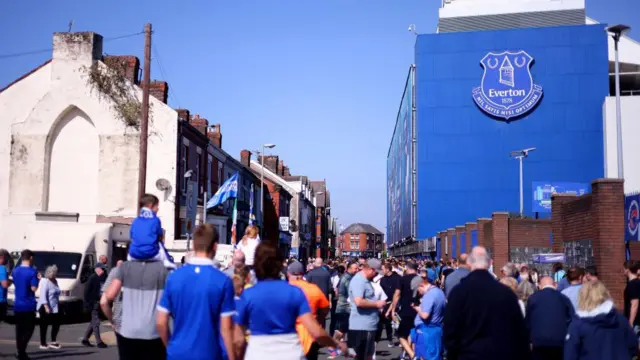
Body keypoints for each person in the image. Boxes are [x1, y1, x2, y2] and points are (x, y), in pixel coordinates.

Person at [234, 243, 345, 360]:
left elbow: (238, 339)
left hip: (258, 353)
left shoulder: (247, 295)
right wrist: (336, 344)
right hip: (291, 352)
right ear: (281, 265)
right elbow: (316, 331)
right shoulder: (295, 292)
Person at [155, 224, 235, 360]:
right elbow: (226, 328)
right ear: (215, 246)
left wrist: (170, 347)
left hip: (178, 353)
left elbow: (161, 322)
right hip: (209, 353)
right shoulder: (223, 281)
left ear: (193, 245)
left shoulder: (174, 277)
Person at [443, 246, 530, 360]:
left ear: (469, 262)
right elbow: (520, 335)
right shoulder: (506, 294)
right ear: (490, 263)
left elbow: (450, 332)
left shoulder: (459, 293)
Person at [101, 238, 170, 359]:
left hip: (123, 326)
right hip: (150, 329)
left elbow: (104, 301)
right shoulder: (162, 270)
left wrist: (112, 321)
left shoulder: (119, 271)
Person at [564, 280, 638, 360]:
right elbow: (633, 346)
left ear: (583, 297)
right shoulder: (620, 320)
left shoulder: (578, 325)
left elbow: (570, 354)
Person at [288, 261, 331, 360]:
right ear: (303, 273)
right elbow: (325, 308)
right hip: (310, 336)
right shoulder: (313, 289)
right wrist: (318, 320)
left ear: (288, 273)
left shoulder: (283, 290)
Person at [525, 276, 574, 360]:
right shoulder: (563, 298)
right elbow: (571, 318)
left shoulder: (533, 298)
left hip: (538, 341)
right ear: (555, 285)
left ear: (539, 286)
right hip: (559, 341)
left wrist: (529, 340)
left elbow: (528, 321)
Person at [348, 259, 386, 360]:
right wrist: (376, 304)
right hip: (362, 326)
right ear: (370, 270)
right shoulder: (358, 281)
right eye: (376, 272)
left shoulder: (365, 281)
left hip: (369, 325)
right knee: (361, 356)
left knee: (368, 355)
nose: (376, 275)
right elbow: (359, 302)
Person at [129, 193, 175, 268]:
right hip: (151, 253)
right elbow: (160, 237)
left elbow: (131, 237)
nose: (158, 209)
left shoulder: (135, 221)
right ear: (151, 205)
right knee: (165, 255)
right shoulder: (155, 220)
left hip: (134, 254)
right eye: (157, 206)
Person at [328, 261, 359, 358]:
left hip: (345, 307)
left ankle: (349, 350)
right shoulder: (347, 278)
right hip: (345, 308)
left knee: (348, 330)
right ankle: (332, 351)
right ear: (349, 268)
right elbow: (352, 293)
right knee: (341, 330)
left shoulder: (347, 277)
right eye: (355, 268)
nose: (357, 270)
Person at [412, 272, 446, 360]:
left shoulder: (429, 295)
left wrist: (417, 308)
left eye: (418, 291)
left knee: (427, 356)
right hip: (435, 330)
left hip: (427, 333)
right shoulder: (439, 292)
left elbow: (425, 315)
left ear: (421, 285)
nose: (419, 293)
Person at [13, 249, 39, 360]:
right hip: (28, 304)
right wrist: (38, 279)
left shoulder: (15, 270)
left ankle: (19, 350)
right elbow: (34, 288)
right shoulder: (32, 272)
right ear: (31, 258)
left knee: (19, 329)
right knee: (29, 329)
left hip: (17, 303)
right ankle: (22, 351)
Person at [398, 262, 422, 359]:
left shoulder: (403, 279)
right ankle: (413, 354)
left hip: (405, 309)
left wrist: (392, 308)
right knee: (413, 333)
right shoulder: (421, 280)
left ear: (408, 268)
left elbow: (397, 294)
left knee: (402, 334)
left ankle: (412, 355)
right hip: (418, 310)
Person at [82, 263, 108, 348]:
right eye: (102, 269)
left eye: (104, 269)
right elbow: (86, 293)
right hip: (93, 303)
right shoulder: (92, 278)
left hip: (99, 302)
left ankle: (85, 339)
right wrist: (88, 304)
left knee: (93, 322)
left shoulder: (103, 277)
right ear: (97, 269)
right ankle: (99, 342)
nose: (103, 271)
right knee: (96, 322)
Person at [37, 265, 62, 349]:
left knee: (56, 324)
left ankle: (53, 341)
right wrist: (46, 307)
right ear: (50, 273)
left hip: (55, 306)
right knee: (44, 326)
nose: (56, 274)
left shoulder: (55, 281)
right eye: (55, 273)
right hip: (45, 307)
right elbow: (43, 296)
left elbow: (57, 293)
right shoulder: (45, 282)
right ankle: (42, 343)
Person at [379, 262, 402, 347]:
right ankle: (390, 340)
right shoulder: (382, 280)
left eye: (383, 269)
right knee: (387, 322)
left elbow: (399, 292)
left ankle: (400, 338)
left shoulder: (398, 278)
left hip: (397, 302)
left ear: (388, 269)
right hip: (386, 303)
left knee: (398, 322)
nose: (382, 271)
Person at [101, 260, 124, 334]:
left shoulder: (115, 272)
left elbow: (103, 302)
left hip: (120, 321)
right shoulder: (155, 270)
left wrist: (112, 321)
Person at [623, 260, 640, 332]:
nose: (623, 270)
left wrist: (631, 322)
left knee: (632, 342)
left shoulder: (633, 284)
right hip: (637, 321)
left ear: (627, 270)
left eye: (624, 268)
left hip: (635, 321)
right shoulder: (636, 282)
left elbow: (634, 304)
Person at [0, 249, 10, 324]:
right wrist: (11, 281)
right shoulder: (2, 269)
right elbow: (5, 284)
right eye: (7, 258)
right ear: (2, 257)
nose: (7, 261)